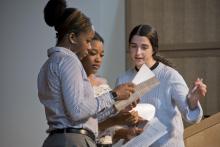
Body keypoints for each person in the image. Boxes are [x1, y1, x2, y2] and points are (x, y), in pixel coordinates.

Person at [38, 0, 135, 147]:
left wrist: (116, 104)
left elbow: (79, 116)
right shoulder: (69, 60)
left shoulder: (48, 64)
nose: (89, 46)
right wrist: (113, 95)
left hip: (59, 139)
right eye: (88, 40)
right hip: (73, 141)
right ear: (72, 38)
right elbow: (77, 111)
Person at [116, 24, 207, 147]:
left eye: (144, 47)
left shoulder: (169, 76)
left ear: (153, 49)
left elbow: (192, 118)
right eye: (133, 46)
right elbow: (117, 122)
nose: (138, 52)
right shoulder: (123, 79)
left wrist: (192, 102)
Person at [81, 32, 143, 146]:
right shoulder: (77, 85)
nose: (98, 59)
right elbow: (85, 125)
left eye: (101, 55)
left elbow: (109, 129)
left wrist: (127, 129)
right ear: (82, 52)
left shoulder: (104, 84)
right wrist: (116, 120)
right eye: (93, 53)